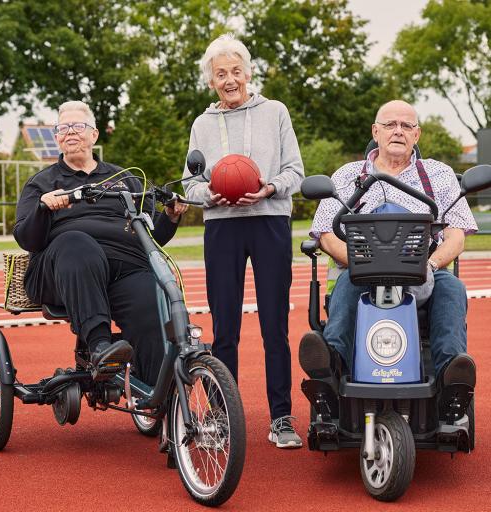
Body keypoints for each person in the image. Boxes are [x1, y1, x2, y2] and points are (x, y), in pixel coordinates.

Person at [301, 99, 478, 392]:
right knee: (346, 283)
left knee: (452, 288)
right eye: (390, 125)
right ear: (376, 131)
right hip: (360, 268)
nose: (398, 131)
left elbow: (456, 234)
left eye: (407, 125)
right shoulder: (347, 175)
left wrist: (430, 264)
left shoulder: (439, 174)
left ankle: (452, 380)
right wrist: (364, 263)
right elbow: (326, 234)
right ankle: (329, 370)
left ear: (417, 135)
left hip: (424, 269)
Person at [182, 34, 305, 448]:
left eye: (236, 71)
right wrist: (207, 195)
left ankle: (281, 417)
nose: (230, 80)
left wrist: (270, 188)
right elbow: (190, 183)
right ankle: (219, 415)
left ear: (249, 73)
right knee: (225, 328)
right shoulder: (201, 123)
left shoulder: (276, 112)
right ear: (211, 81)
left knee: (275, 326)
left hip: (269, 221)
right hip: (222, 225)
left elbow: (296, 172)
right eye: (221, 74)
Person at [14, 100, 187, 383]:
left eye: (78, 126)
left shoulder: (125, 179)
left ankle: (156, 396)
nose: (71, 132)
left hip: (124, 266)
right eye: (64, 128)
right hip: (63, 267)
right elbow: (26, 239)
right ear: (57, 137)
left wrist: (171, 216)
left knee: (151, 294)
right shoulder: (42, 183)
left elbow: (152, 236)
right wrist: (42, 208)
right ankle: (100, 348)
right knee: (77, 243)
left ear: (94, 134)